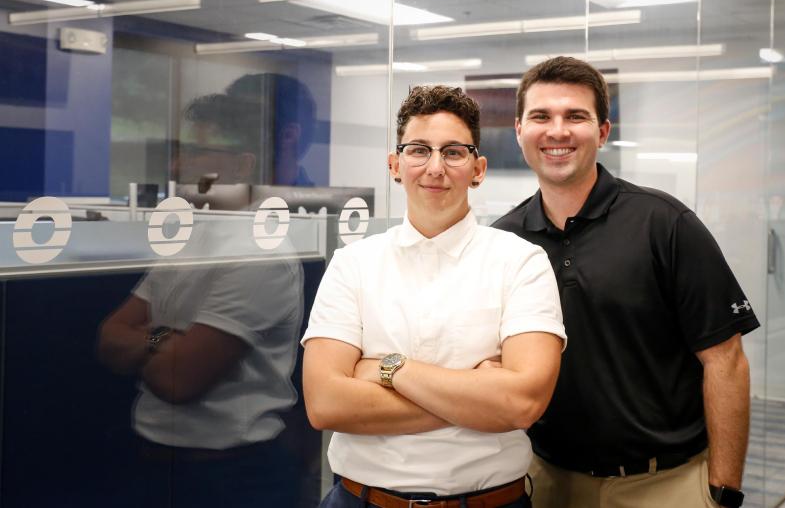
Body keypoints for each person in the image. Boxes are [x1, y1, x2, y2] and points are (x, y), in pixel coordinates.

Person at [492, 56, 759, 508]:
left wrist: (723, 490)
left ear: (602, 131)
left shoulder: (666, 224)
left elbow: (726, 361)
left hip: (663, 485)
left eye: (576, 116)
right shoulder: (502, 241)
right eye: (541, 116)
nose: (557, 131)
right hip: (544, 480)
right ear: (519, 130)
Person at [302, 85, 567, 508]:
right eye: (419, 150)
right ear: (395, 164)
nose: (435, 167)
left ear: (478, 168)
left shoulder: (520, 262)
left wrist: (390, 369)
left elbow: (521, 403)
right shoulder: (353, 264)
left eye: (454, 152)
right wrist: (477, 399)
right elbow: (325, 403)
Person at [98, 88, 307, 507]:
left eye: (196, 151)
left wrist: (147, 341)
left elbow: (178, 379)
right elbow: (108, 339)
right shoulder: (190, 236)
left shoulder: (258, 253)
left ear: (243, 164)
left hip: (232, 478)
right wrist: (163, 339)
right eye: (180, 151)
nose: (178, 164)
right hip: (155, 462)